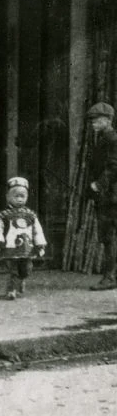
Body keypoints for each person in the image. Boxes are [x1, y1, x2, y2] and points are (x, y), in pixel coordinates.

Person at [0, 176, 47, 300]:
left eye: (23, 196)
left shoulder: (31, 215)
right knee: (13, 269)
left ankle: (21, 280)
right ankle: (11, 290)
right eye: (16, 196)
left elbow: (37, 230)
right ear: (8, 197)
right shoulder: (3, 215)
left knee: (26, 268)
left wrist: (40, 244)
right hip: (11, 247)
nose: (20, 200)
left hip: (27, 248)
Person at [86, 102, 117, 291]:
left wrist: (99, 184)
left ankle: (109, 277)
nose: (93, 124)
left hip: (110, 195)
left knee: (109, 236)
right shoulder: (104, 138)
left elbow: (114, 166)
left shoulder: (112, 139)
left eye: (96, 120)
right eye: (92, 121)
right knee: (109, 236)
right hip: (109, 194)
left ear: (107, 120)